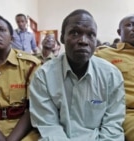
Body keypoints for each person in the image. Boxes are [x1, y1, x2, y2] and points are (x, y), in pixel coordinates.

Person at [29, 9, 125, 141]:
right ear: (62, 38)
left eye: (91, 34)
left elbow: (112, 125)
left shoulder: (111, 75)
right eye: (75, 33)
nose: (83, 41)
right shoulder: (43, 75)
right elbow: (49, 126)